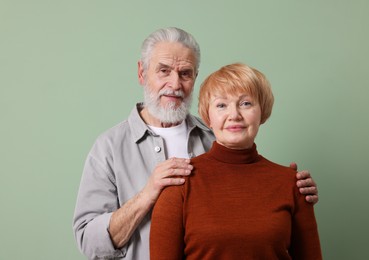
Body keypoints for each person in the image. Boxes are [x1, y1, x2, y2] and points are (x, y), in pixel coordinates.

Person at [73, 27, 319, 260]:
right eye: (164, 71)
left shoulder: (219, 136)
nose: (175, 84)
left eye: (185, 73)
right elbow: (88, 241)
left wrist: (293, 190)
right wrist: (147, 195)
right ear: (141, 72)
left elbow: (252, 207)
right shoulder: (109, 147)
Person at [150, 63, 322, 259]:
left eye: (245, 103)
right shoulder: (180, 183)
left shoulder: (293, 184)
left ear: (262, 112)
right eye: (221, 105)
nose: (234, 115)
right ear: (208, 116)